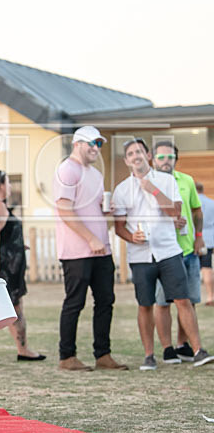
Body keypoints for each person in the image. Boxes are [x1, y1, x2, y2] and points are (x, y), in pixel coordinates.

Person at [111, 138, 214, 369]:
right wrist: (131, 237)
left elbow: (175, 210)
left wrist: (153, 189)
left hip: (169, 251)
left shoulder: (167, 181)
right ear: (127, 160)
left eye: (139, 151)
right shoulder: (121, 190)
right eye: (130, 153)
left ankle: (198, 350)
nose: (136, 155)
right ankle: (149, 355)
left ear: (148, 156)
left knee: (183, 299)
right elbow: (119, 227)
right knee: (145, 304)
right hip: (140, 257)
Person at [53, 126, 127, 371]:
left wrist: (105, 211)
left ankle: (103, 355)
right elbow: (64, 209)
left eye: (99, 144)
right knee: (75, 303)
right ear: (77, 144)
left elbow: (89, 207)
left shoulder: (94, 174)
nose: (96, 148)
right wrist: (90, 239)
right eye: (91, 143)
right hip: (77, 251)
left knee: (106, 300)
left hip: (101, 250)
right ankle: (67, 357)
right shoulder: (67, 169)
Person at [0, 171, 44, 361]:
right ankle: (23, 349)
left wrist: (18, 244)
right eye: (9, 182)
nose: (11, 186)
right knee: (15, 304)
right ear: (1, 184)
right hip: (3, 264)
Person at [152, 141, 207, 363]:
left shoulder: (187, 181)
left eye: (170, 157)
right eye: (161, 157)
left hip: (188, 251)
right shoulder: (148, 183)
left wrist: (199, 237)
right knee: (163, 302)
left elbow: (196, 210)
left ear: (176, 159)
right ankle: (167, 349)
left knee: (189, 300)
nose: (166, 161)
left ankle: (182, 344)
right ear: (153, 160)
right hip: (162, 252)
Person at [197, 182, 214, 306]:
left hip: (193, 240)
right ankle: (210, 296)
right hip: (208, 240)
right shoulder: (211, 203)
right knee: (207, 268)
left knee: (190, 270)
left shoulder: (191, 203)